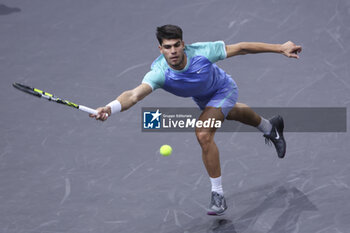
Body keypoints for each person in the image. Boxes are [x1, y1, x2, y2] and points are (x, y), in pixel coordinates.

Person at [90, 24, 302, 215]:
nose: (172, 51)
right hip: (203, 98)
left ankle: (217, 195)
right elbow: (133, 95)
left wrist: (280, 47)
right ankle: (270, 126)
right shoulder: (159, 72)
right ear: (160, 49)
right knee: (235, 113)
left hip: (223, 89)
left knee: (203, 133)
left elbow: (241, 48)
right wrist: (110, 108)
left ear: (183, 44)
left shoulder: (202, 52)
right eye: (167, 47)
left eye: (176, 45)